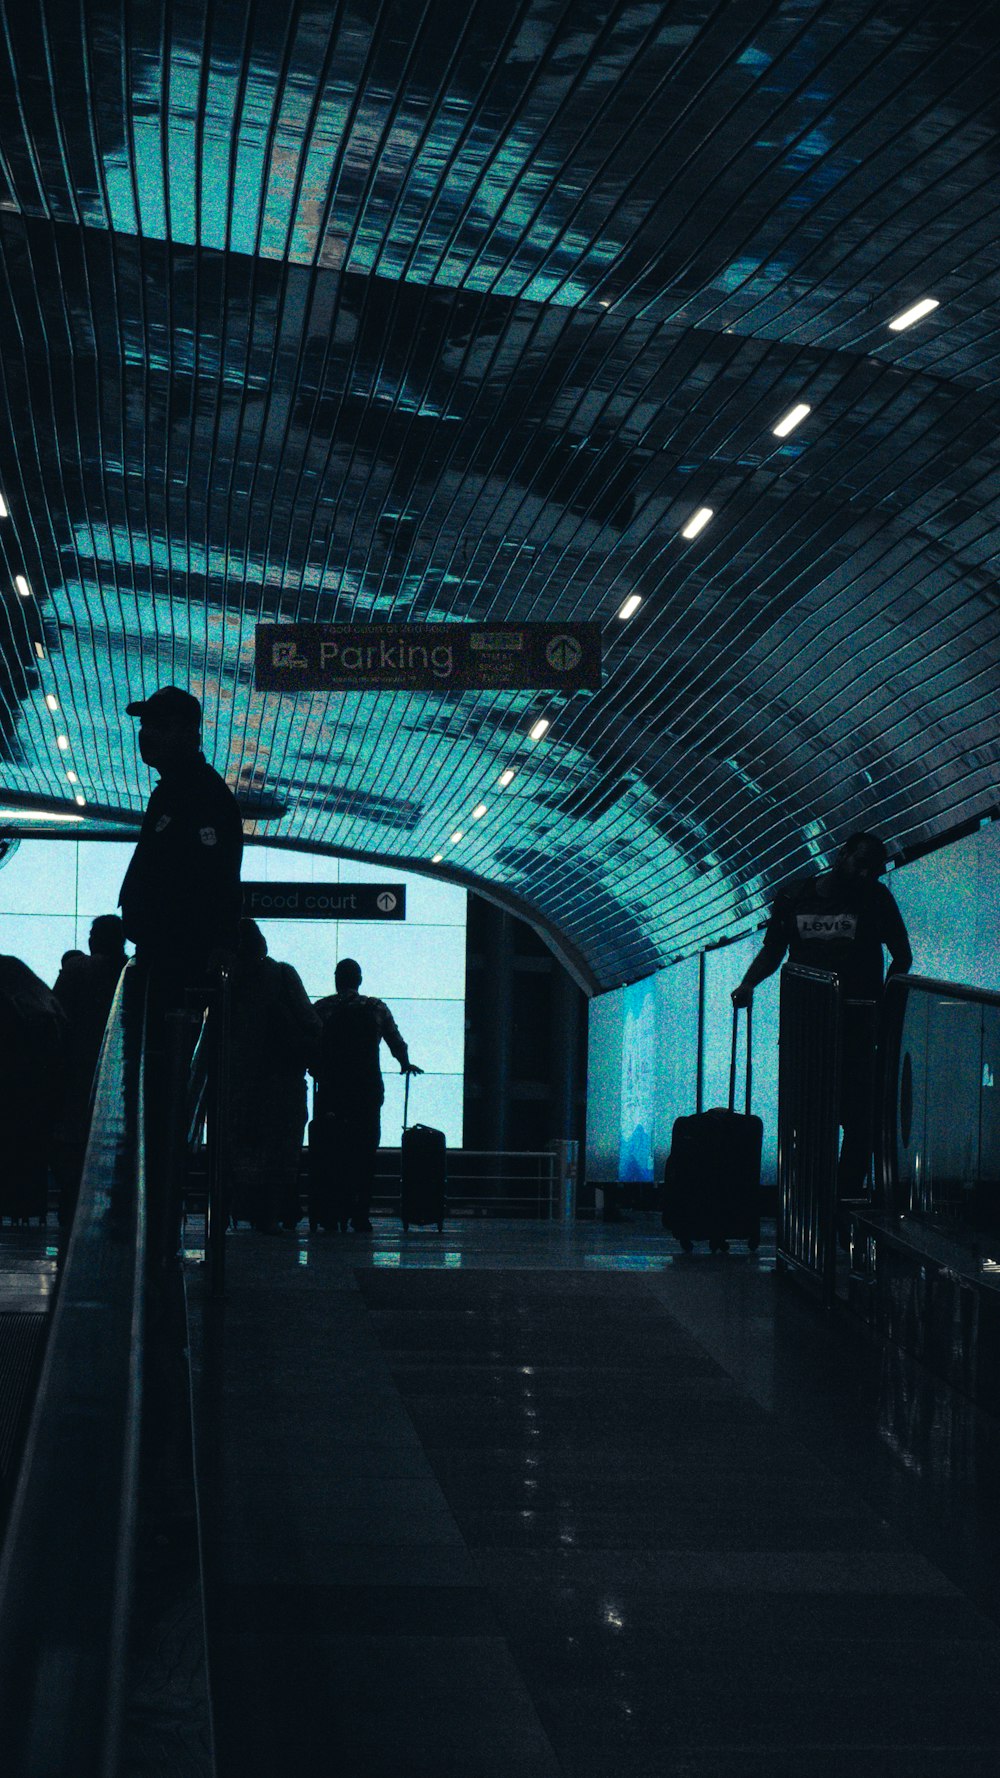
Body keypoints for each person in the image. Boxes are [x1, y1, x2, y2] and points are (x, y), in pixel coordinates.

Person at [732, 830, 912, 1206]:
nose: (866, 875)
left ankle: (839, 1197)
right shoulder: (795, 897)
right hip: (808, 1029)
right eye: (862, 865)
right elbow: (773, 951)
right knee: (810, 1120)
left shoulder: (876, 899)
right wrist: (748, 984)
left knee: (859, 1119)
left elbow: (902, 955)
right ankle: (814, 1199)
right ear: (842, 854)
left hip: (857, 1027)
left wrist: (885, 1005)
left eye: (874, 870)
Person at [311, 958, 421, 1234]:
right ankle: (360, 1215)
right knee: (364, 1155)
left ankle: (330, 1214)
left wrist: (315, 1070)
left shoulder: (323, 1007)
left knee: (330, 1153)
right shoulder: (376, 1008)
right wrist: (405, 1063)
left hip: (331, 1094)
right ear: (359, 980)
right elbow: (396, 1041)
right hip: (367, 1093)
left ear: (337, 980)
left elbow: (309, 1043)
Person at [230, 919, 321, 1233]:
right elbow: (309, 1021)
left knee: (246, 1147)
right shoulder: (282, 974)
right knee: (283, 1149)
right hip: (284, 1079)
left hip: (240, 1082)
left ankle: (247, 1208)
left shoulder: (226, 982)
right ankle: (275, 1210)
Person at [52, 915, 129, 1222]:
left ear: (93, 939)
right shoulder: (133, 971)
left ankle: (72, 1202)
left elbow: (57, 1015)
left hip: (76, 1071)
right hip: (122, 1074)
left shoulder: (76, 971)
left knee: (72, 1140)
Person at [0, 955, 66, 1222]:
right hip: (40, 1097)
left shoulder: (9, 1007)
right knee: (32, 1152)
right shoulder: (46, 1009)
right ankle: (31, 1209)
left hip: (11, 1094)